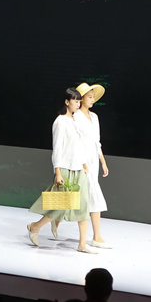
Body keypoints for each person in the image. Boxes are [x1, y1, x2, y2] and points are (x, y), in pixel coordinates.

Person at [27, 88, 96, 254]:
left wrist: (83, 163)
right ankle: (35, 227)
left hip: (78, 168)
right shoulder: (60, 121)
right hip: (65, 168)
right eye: (75, 101)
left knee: (83, 206)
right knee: (59, 206)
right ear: (67, 101)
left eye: (79, 101)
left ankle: (82, 244)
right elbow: (57, 149)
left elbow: (78, 146)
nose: (78, 104)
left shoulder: (75, 120)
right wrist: (57, 172)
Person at [72, 82, 110, 249]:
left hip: (93, 161)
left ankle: (96, 237)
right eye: (89, 96)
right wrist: (82, 162)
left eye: (93, 97)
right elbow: (76, 142)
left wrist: (103, 162)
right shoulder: (76, 116)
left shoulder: (94, 117)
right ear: (81, 98)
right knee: (91, 197)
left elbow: (97, 142)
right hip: (83, 162)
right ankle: (95, 237)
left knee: (90, 197)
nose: (92, 99)